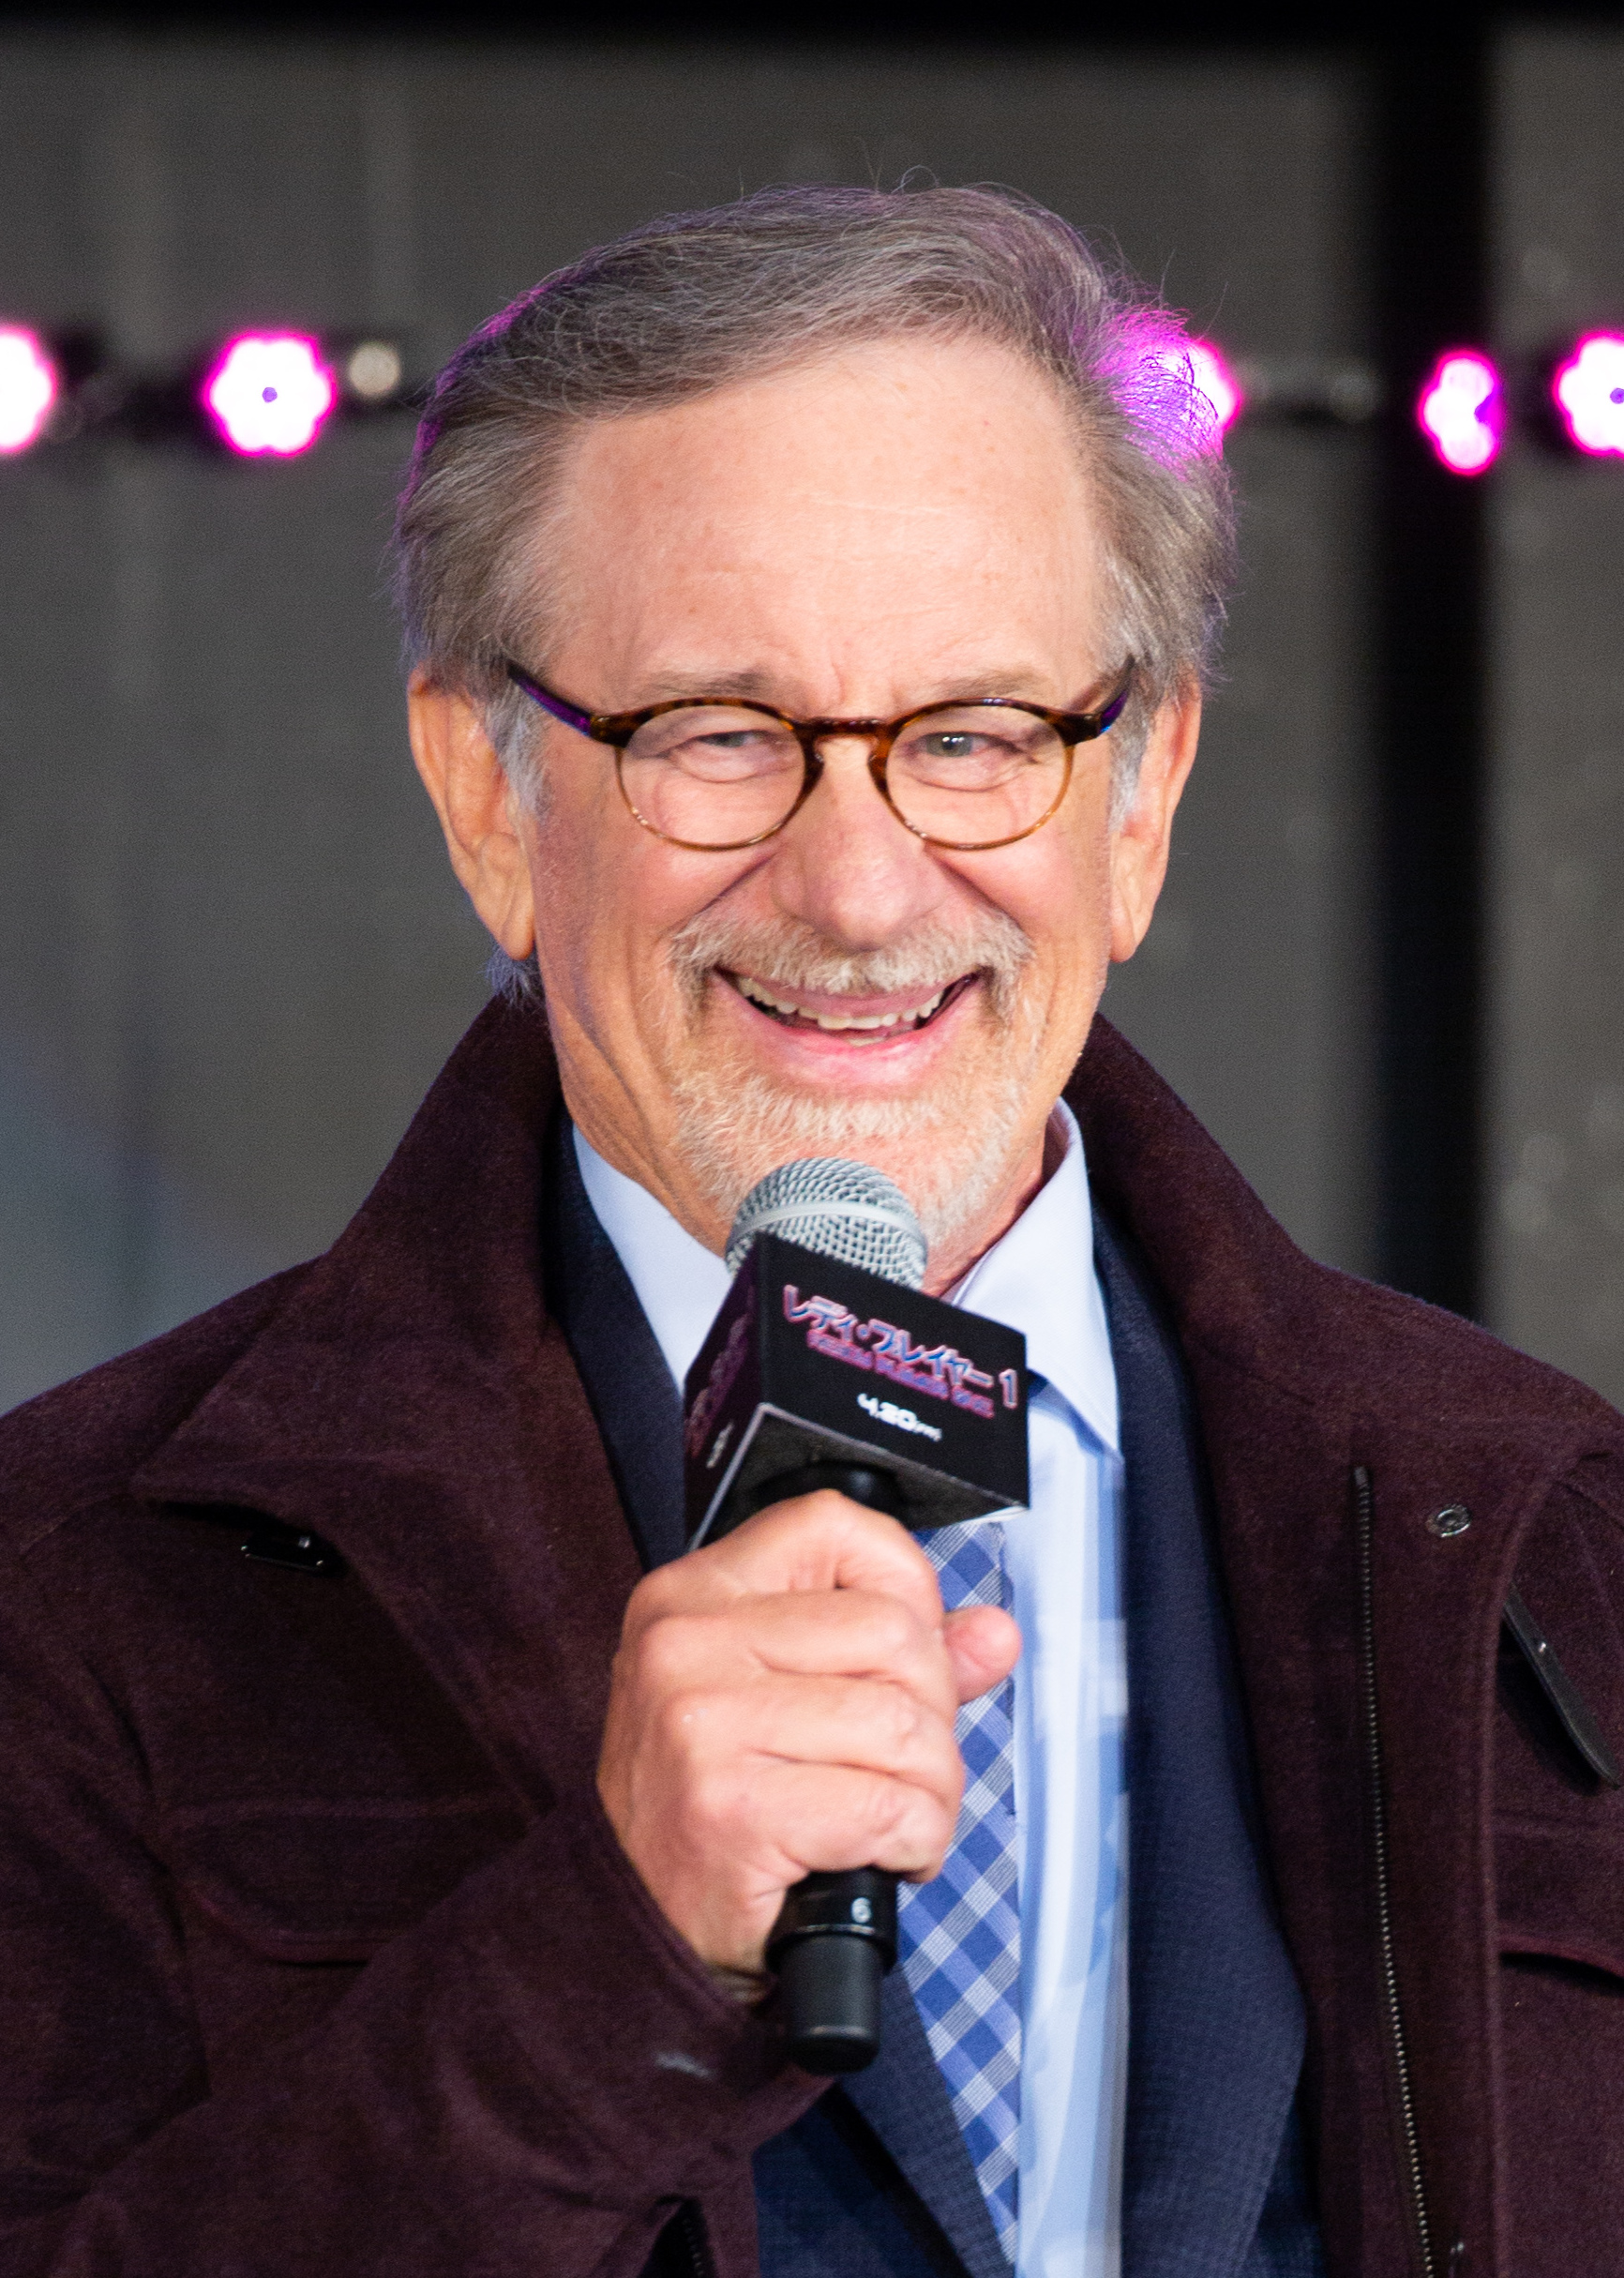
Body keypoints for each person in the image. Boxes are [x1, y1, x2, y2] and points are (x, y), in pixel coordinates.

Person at [2, 185, 1621, 2278]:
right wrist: (602, 1969)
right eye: (718, 736)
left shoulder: (1559, 1538)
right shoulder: (74, 1590)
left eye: (972, 740)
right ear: (487, 800)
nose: (856, 890)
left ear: (1138, 802)